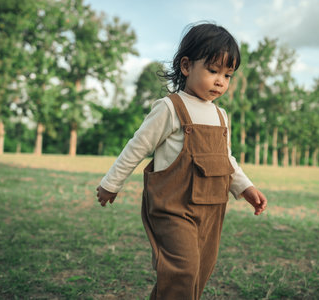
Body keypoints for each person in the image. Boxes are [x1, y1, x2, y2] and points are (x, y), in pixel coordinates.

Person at [96, 22, 267, 300]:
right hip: (173, 207)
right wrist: (111, 184)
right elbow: (137, 147)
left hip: (212, 209)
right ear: (186, 66)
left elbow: (227, 159)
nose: (220, 81)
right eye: (213, 70)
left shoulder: (221, 116)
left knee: (198, 272)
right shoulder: (170, 107)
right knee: (182, 270)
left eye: (228, 74)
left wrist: (245, 188)